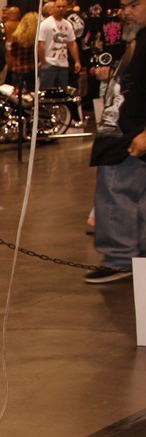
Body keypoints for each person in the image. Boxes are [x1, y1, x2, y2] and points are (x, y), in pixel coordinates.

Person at [84, 0, 146, 284]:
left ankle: (120, 259)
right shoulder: (137, 39)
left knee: (116, 196)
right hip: (123, 132)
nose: (126, 12)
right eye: (123, 6)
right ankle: (132, 257)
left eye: (134, 4)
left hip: (129, 137)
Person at [38, 0, 81, 91]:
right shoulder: (45, 24)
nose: (61, 9)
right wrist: (44, 62)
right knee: (47, 92)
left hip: (63, 65)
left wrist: (77, 61)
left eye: (63, 7)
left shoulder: (68, 24)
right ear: (53, 7)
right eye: (58, 6)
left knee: (62, 92)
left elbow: (72, 43)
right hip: (49, 63)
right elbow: (40, 44)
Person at [6, 10, 38, 94]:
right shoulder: (36, 39)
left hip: (18, 69)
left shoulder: (16, 37)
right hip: (32, 69)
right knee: (32, 93)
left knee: (17, 94)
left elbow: (12, 53)